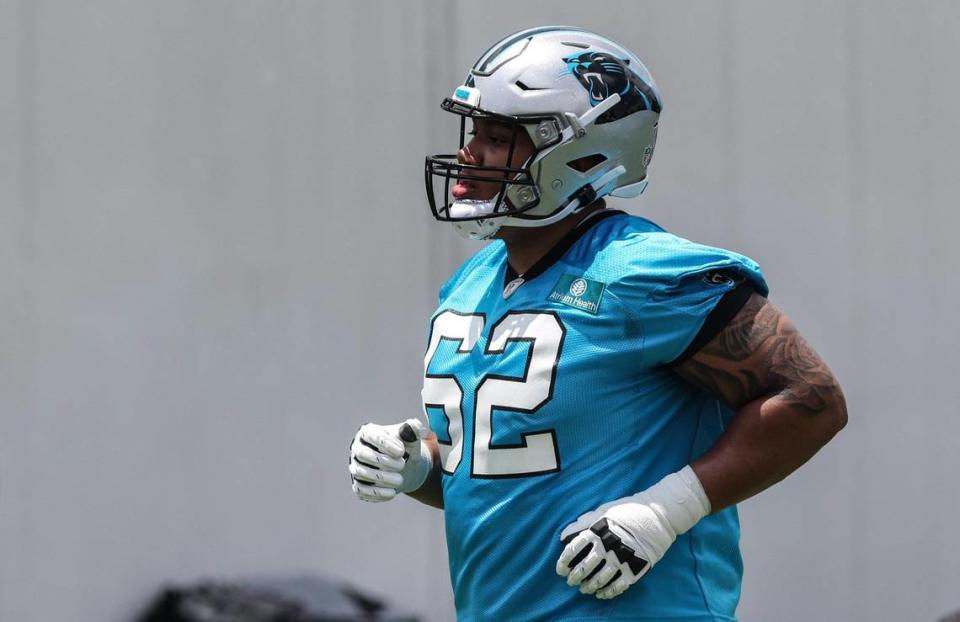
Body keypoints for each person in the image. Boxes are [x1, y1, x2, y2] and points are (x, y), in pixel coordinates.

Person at [348, 26, 847, 621]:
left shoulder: (646, 271)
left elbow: (812, 398)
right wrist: (421, 464)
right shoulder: (472, 282)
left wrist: (666, 510)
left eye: (500, 136)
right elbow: (497, 468)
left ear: (579, 153)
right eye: (474, 130)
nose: (469, 153)